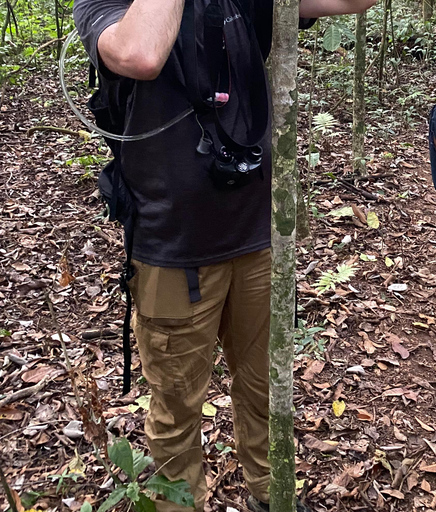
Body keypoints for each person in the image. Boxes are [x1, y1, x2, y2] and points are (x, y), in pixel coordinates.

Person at [72, 0, 375, 510]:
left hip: (258, 235)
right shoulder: (106, 6)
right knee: (176, 409)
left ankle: (268, 491)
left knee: (265, 387)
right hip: (173, 249)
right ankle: (179, 503)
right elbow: (141, 53)